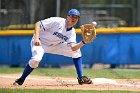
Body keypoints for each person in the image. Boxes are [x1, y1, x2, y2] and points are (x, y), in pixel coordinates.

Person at [13, 9, 92, 85]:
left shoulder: (72, 32)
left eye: (76, 17)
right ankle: (21, 79)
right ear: (67, 17)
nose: (74, 18)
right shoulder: (57, 21)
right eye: (72, 16)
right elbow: (38, 24)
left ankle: (80, 78)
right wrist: (36, 38)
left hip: (56, 45)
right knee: (36, 59)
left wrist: (84, 42)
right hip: (40, 42)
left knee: (76, 51)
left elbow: (73, 48)